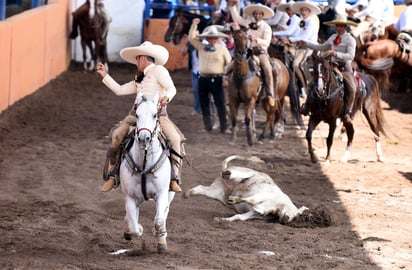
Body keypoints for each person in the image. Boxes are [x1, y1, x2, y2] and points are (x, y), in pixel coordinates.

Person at [95, 41, 184, 193]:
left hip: (158, 116)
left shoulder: (159, 70)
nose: (136, 62)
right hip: (135, 115)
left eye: (137, 59)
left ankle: (174, 178)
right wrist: (105, 76)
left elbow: (171, 88)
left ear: (142, 59)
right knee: (117, 135)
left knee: (175, 139)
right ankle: (112, 175)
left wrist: (166, 98)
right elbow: (120, 90)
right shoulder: (139, 78)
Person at [299, 16, 358, 121]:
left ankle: (347, 111)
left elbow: (350, 56)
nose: (338, 28)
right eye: (337, 26)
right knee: (313, 83)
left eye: (340, 26)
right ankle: (307, 106)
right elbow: (322, 47)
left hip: (344, 67)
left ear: (345, 27)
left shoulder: (350, 40)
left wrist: (336, 53)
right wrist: (307, 44)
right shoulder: (333, 37)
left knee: (352, 88)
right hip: (331, 66)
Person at [228, 1, 277, 107]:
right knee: (229, 67)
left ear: (262, 15)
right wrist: (232, 7)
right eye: (255, 13)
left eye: (259, 14)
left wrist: (256, 39)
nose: (257, 15)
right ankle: (230, 93)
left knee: (267, 68)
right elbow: (237, 19)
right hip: (247, 51)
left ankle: (270, 94)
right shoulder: (248, 23)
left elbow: (267, 43)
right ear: (253, 14)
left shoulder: (266, 27)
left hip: (260, 52)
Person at [188, 20, 232, 134]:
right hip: (203, 78)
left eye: (214, 38)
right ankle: (207, 127)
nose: (212, 40)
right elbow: (191, 38)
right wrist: (194, 25)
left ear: (217, 39)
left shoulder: (222, 49)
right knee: (204, 103)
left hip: (217, 78)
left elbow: (229, 64)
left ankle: (224, 127)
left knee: (220, 104)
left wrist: (226, 78)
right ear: (207, 38)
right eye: (210, 38)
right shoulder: (201, 46)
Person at [281, 0, 320, 97]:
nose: (303, 12)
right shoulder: (302, 22)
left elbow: (304, 37)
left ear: (309, 12)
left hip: (310, 46)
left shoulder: (311, 23)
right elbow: (298, 34)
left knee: (295, 64)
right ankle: (298, 87)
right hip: (302, 46)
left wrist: (290, 40)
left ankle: (305, 86)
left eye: (305, 10)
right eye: (302, 10)